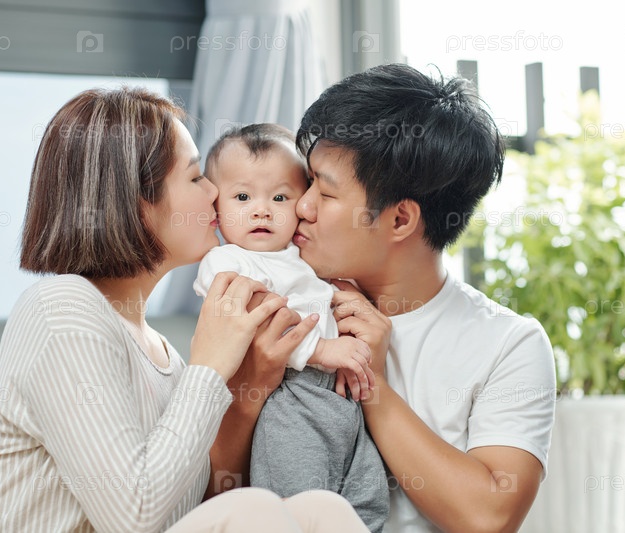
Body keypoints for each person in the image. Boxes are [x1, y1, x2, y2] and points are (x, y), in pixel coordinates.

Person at [0, 87, 369, 533]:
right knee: (256, 509)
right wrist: (209, 366)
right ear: (136, 202)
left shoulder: (161, 353)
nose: (214, 191)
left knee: (321, 510)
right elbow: (134, 517)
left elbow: (209, 500)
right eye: (195, 178)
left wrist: (251, 386)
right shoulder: (61, 310)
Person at [211, 64, 557, 533]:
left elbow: (489, 517)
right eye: (306, 182)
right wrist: (250, 391)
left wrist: (372, 384)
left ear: (399, 220)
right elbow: (212, 503)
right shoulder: (270, 302)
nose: (301, 206)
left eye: (325, 192)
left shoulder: (509, 343)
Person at [193, 123, 389, 532]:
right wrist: (322, 350)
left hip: (342, 401)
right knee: (299, 502)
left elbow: (325, 292)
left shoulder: (300, 254)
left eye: (280, 197)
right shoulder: (228, 261)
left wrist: (350, 302)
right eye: (242, 197)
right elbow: (256, 317)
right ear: (216, 209)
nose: (262, 210)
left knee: (367, 502)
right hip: (289, 396)